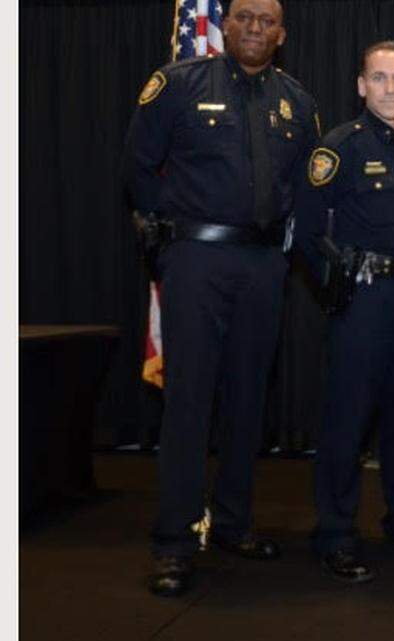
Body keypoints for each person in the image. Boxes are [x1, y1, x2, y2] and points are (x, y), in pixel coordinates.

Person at [122, 0, 319, 597]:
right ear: (225, 25)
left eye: (267, 21)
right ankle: (175, 541)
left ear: (281, 35)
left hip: (264, 264)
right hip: (196, 261)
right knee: (189, 400)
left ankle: (233, 523)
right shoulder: (179, 84)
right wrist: (169, 242)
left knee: (247, 400)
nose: (255, 28)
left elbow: (304, 187)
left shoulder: (298, 102)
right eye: (244, 17)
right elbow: (138, 167)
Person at [293, 41, 394, 585]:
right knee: (348, 421)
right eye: (378, 77)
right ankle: (335, 534)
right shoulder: (339, 148)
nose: (389, 87)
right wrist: (335, 289)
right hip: (362, 300)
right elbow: (306, 230)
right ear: (361, 86)